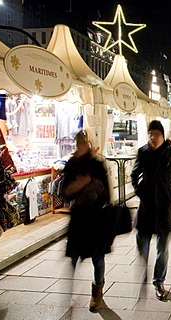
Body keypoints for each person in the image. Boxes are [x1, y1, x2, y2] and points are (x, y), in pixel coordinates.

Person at [130, 120, 171, 301]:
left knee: (163, 248)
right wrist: (140, 191)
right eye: (150, 134)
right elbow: (134, 174)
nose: (153, 137)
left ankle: (158, 281)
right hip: (146, 207)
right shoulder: (143, 152)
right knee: (142, 244)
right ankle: (143, 272)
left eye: (156, 134)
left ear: (162, 136)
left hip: (164, 208)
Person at [62, 130, 112, 312]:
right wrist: (79, 185)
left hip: (96, 218)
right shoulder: (71, 164)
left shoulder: (97, 164)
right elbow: (64, 194)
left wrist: (90, 185)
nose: (82, 145)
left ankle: (97, 292)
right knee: (74, 257)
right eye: (79, 142)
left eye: (84, 142)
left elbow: (107, 193)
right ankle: (69, 291)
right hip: (78, 218)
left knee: (98, 258)